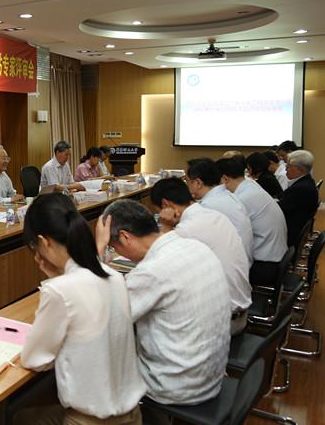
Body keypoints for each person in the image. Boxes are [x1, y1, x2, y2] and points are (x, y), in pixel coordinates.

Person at [16, 194, 146, 425]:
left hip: (89, 420)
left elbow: (34, 359)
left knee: (17, 417)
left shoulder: (59, 290)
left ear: (44, 242)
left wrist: (56, 281)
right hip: (133, 415)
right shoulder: (114, 276)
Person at [95, 199, 230, 406]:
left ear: (125, 236)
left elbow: (104, 318)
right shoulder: (196, 246)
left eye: (113, 248)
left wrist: (98, 250)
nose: (116, 255)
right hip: (212, 374)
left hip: (177, 387)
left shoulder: (151, 271)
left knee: (96, 353)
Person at [150, 178, 252, 335]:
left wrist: (166, 226)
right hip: (239, 313)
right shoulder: (216, 215)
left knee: (149, 316)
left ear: (166, 204)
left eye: (159, 212)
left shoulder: (186, 229)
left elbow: (158, 264)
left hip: (219, 325)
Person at [216, 158, 289, 285]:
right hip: (276, 259)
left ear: (225, 179)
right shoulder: (250, 187)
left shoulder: (241, 199)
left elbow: (233, 239)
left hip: (264, 266)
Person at [185, 157, 254, 265]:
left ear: (198, 183)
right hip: (242, 263)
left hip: (229, 267)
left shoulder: (208, 206)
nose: (187, 185)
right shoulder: (227, 196)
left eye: (187, 181)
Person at [277, 150, 320, 247]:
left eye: (288, 166)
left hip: (289, 233)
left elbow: (280, 208)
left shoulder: (302, 188)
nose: (285, 169)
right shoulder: (305, 181)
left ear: (299, 169)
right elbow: (282, 197)